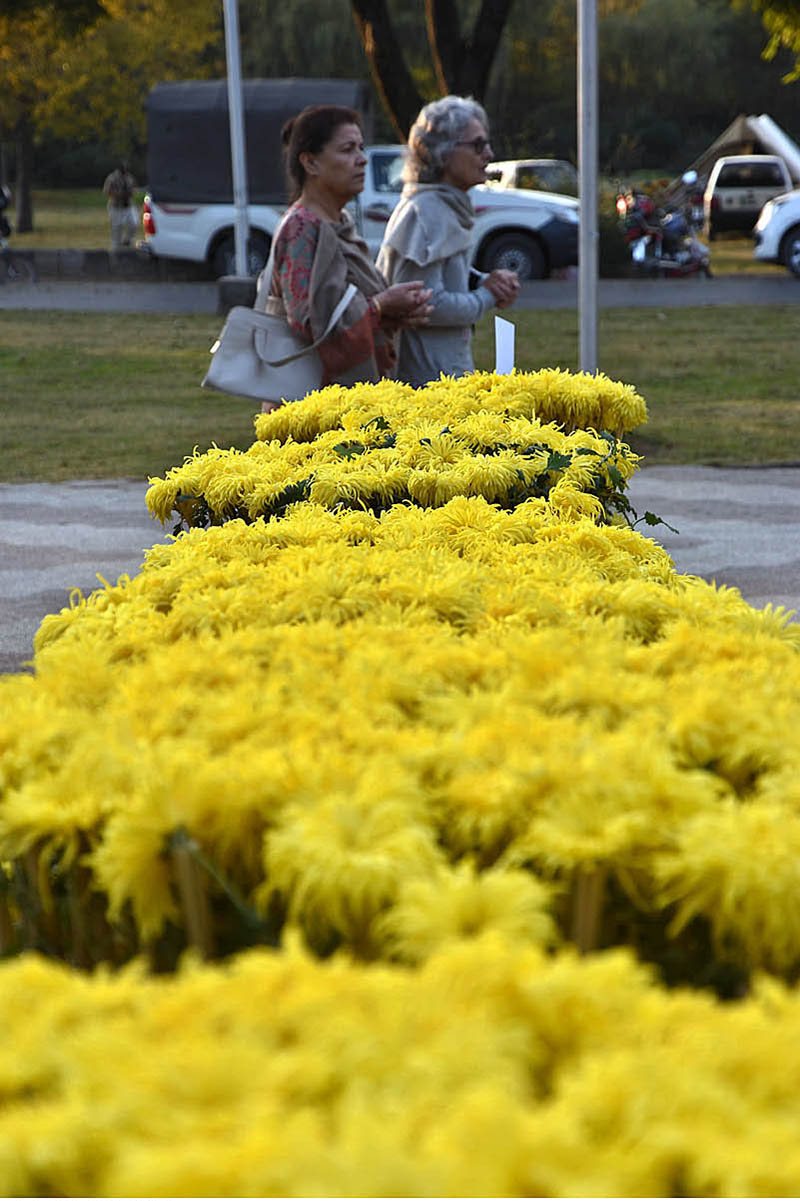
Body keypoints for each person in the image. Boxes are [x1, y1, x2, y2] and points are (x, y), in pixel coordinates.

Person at [256, 104, 432, 412]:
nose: (362, 159)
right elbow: (308, 327)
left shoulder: (339, 226)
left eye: (361, 148)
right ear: (310, 163)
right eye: (348, 149)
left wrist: (397, 312)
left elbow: (345, 307)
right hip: (311, 414)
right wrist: (381, 307)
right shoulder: (301, 228)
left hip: (350, 407)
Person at [376, 95, 520, 388]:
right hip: (424, 385)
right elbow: (430, 304)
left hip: (443, 374)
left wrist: (484, 281)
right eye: (478, 145)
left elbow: (444, 275)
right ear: (441, 152)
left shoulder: (440, 206)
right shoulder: (426, 212)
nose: (489, 154)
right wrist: (488, 296)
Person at [103, 161, 138, 251]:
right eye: (123, 168)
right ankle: (116, 249)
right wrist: (118, 194)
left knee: (134, 223)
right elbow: (106, 191)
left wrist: (131, 193)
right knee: (117, 228)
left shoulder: (129, 177)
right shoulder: (112, 177)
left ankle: (128, 240)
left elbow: (133, 188)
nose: (125, 169)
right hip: (116, 206)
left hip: (128, 205)